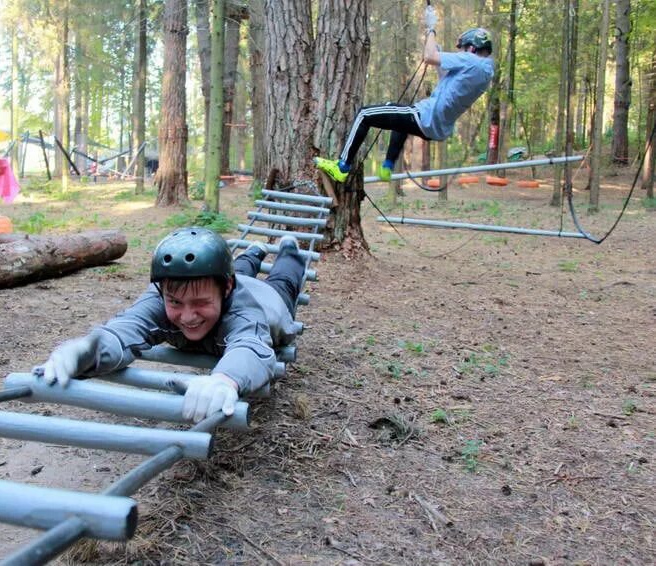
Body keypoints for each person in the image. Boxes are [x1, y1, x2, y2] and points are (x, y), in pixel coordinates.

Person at [38, 227, 307, 423]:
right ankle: (254, 253)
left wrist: (226, 379)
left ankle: (289, 250)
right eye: (176, 303)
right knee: (238, 268)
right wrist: (88, 350)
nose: (187, 316)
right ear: (163, 291)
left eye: (199, 303)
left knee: (284, 280)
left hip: (270, 301)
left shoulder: (245, 315)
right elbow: (127, 327)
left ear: (227, 289)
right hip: (227, 282)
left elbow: (251, 347)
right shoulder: (166, 295)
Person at [314, 6, 494, 183]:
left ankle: (342, 166)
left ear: (471, 49)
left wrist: (431, 28)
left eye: (462, 49)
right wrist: (437, 54)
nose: (459, 53)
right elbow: (447, 80)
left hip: (425, 116)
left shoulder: (471, 60)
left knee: (364, 114)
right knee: (399, 113)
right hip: (437, 128)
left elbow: (429, 56)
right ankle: (387, 166)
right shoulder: (485, 72)